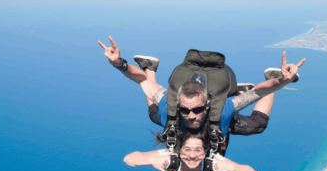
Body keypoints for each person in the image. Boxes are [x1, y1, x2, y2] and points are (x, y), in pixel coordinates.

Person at [98, 36, 305, 147]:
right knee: (155, 112)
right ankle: (149, 66)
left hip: (218, 106)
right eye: (185, 110)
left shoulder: (221, 110)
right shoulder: (170, 107)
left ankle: (258, 81)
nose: (190, 116)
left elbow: (258, 93)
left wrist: (279, 81)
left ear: (207, 105)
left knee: (258, 125)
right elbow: (142, 80)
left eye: (196, 110)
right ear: (178, 105)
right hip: (203, 109)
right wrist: (120, 64)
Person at [123, 131, 258, 171]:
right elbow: (129, 159)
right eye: (187, 150)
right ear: (179, 151)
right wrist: (150, 160)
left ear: (205, 153)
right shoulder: (169, 156)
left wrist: (232, 168)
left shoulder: (214, 161)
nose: (192, 156)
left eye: (198, 150)